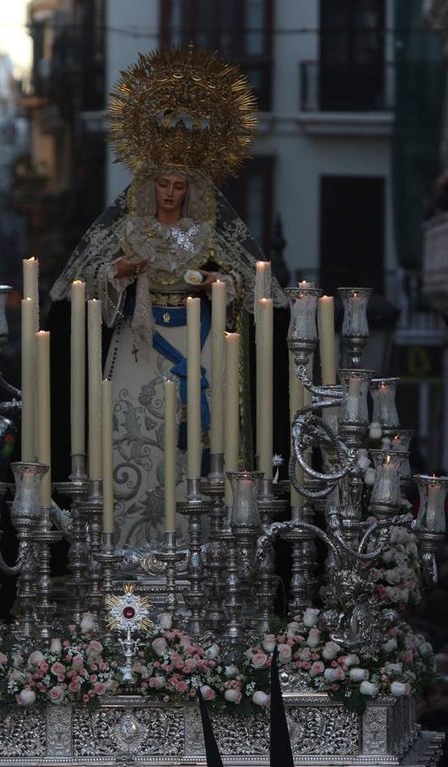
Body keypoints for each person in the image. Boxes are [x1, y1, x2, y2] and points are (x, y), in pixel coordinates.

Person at [51, 47, 281, 549]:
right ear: (149, 185)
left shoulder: (208, 234)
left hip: (199, 340)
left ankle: (199, 546)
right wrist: (120, 270)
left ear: (191, 188)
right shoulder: (130, 229)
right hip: (140, 342)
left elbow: (245, 287)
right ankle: (131, 543)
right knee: (135, 438)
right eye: (163, 183)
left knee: (202, 439)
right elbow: (85, 285)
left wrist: (211, 284)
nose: (171, 193)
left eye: (179, 185)